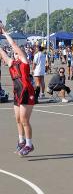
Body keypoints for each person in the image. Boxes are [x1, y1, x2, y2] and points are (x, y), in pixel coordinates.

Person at [0, 23, 35, 156]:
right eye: (14, 54)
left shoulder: (24, 62)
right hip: (17, 92)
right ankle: (21, 141)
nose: (15, 54)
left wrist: (4, 33)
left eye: (17, 53)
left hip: (27, 91)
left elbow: (14, 45)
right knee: (18, 119)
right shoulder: (11, 63)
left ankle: (29, 144)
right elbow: (2, 52)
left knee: (25, 120)